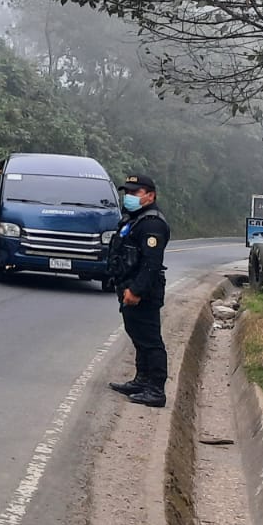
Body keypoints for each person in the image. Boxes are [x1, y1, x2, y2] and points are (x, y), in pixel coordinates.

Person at [106, 173, 171, 407]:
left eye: (136, 193)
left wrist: (136, 290)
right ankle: (142, 380)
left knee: (150, 340)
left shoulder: (152, 223)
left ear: (150, 195)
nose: (130, 197)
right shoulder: (134, 219)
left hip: (144, 293)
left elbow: (151, 263)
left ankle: (155, 390)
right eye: (128, 193)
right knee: (138, 337)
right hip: (128, 287)